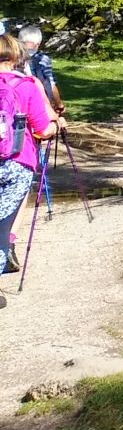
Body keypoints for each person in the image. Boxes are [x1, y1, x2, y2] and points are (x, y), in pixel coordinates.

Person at [0, 33, 64, 277]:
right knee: (3, 222)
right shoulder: (25, 86)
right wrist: (56, 125)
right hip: (17, 161)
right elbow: (42, 129)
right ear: (17, 56)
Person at [17, 24, 63, 116]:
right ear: (38, 44)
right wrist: (59, 104)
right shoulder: (43, 59)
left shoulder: (13, 57)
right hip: (40, 101)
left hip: (18, 100)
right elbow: (50, 83)